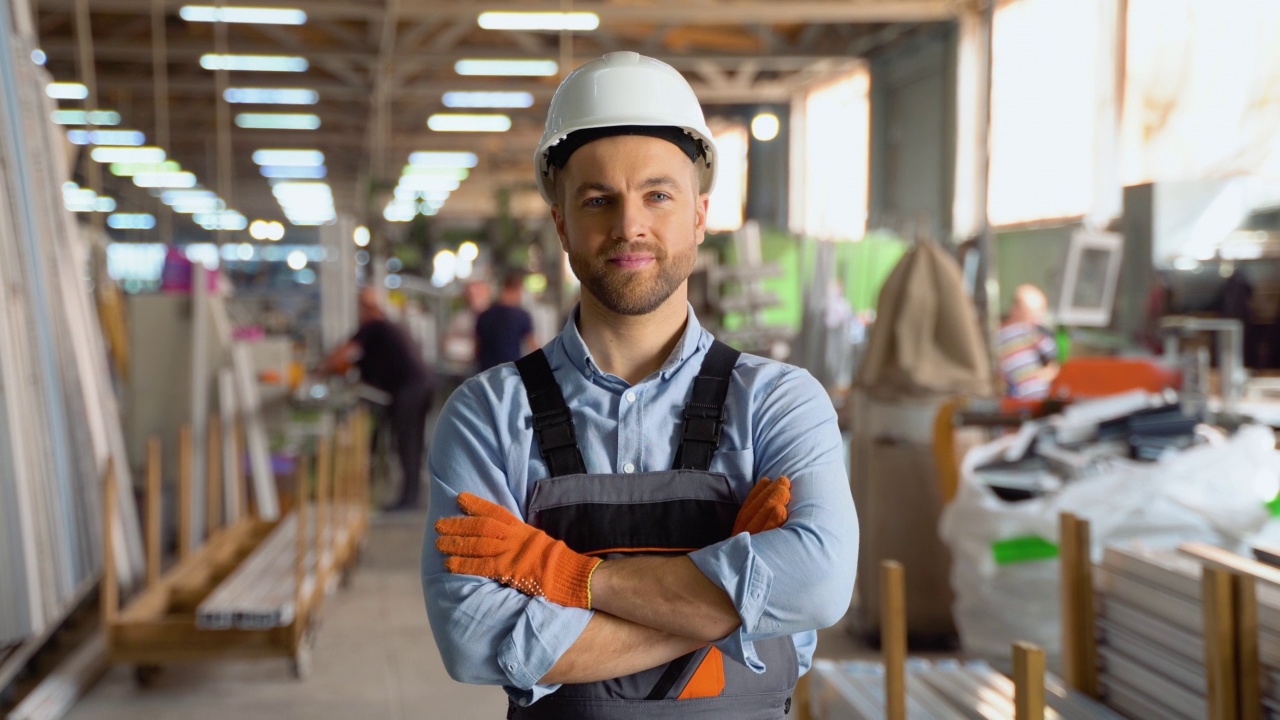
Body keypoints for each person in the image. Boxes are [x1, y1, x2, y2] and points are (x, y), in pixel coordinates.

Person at [423, 51, 859, 719]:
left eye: (658, 194)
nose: (630, 225)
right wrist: (737, 597)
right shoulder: (486, 416)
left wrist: (570, 578)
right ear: (562, 222)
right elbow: (476, 640)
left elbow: (820, 585)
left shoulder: (779, 404)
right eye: (599, 200)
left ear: (699, 214)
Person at [320, 288, 434, 511]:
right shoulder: (387, 328)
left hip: (410, 389)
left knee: (407, 443)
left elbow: (343, 354)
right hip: (420, 386)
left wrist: (318, 370)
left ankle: (409, 499)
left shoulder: (374, 326)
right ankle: (410, 495)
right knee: (411, 443)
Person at [995, 284, 1059, 400]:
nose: (1039, 318)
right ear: (1016, 310)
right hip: (1029, 394)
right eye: (1035, 313)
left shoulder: (998, 334)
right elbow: (1051, 350)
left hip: (1016, 396)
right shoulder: (1027, 331)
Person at [474, 272, 536, 372]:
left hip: (486, 373)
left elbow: (477, 349)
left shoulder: (484, 315)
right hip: (511, 374)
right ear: (517, 290)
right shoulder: (521, 316)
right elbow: (533, 347)